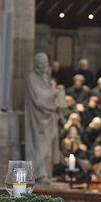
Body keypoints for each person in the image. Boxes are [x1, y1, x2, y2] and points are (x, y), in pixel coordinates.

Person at [24, 52, 68, 184]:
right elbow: (39, 98)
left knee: (48, 148)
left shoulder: (45, 75)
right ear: (36, 64)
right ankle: (39, 174)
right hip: (37, 118)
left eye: (46, 63)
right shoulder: (32, 78)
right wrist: (54, 92)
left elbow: (47, 91)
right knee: (40, 146)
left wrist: (54, 91)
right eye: (41, 64)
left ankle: (47, 173)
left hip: (48, 116)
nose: (44, 66)